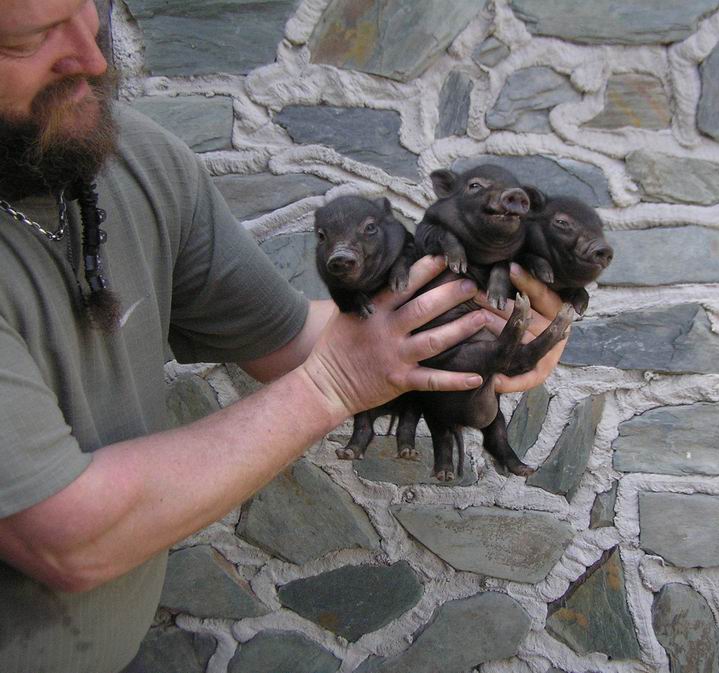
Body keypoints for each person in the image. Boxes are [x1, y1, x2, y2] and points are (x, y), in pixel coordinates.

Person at [0, 1, 568, 671]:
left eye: (90, 12)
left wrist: (472, 321)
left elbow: (294, 337)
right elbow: (68, 538)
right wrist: (335, 386)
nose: (93, 58)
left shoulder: (132, 158)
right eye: (30, 38)